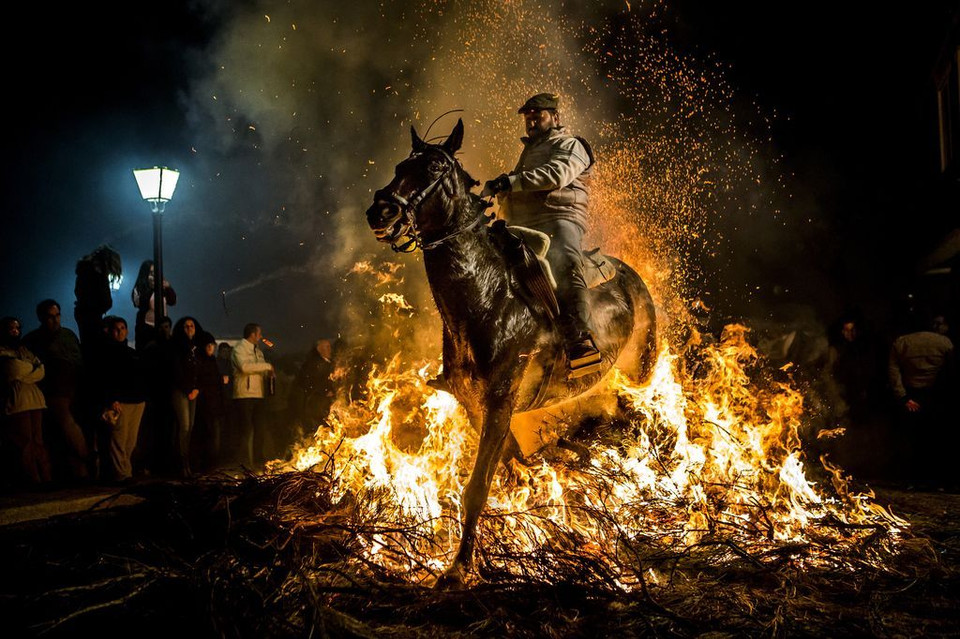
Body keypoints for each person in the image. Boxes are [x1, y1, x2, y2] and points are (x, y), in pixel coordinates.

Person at [481, 92, 599, 377]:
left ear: (555, 118)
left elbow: (556, 175)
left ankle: (580, 341)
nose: (531, 122)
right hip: (523, 224)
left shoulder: (571, 146)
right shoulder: (528, 154)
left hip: (559, 218)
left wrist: (510, 181)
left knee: (566, 263)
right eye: (528, 118)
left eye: (539, 116)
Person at [22, 300, 90, 482]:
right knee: (63, 431)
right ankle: (81, 466)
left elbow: (79, 361)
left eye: (57, 315)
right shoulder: (33, 340)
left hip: (72, 390)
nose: (55, 320)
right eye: (51, 316)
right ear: (42, 317)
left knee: (70, 430)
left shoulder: (67, 335)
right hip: (53, 393)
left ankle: (82, 471)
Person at [887, 310, 956, 487]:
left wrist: (904, 397)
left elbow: (894, 373)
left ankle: (913, 480)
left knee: (912, 440)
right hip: (936, 396)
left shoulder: (901, 342)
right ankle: (937, 481)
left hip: (911, 394)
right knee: (936, 439)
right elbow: (952, 371)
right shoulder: (944, 342)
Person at [0, 316, 52, 489]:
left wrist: (26, 371)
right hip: (18, 401)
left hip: (35, 400)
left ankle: (46, 477)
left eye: (17, 328)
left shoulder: (23, 350)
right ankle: (33, 480)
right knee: (25, 442)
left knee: (38, 440)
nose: (15, 331)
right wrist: (31, 370)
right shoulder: (2, 351)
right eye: (11, 328)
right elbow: (12, 370)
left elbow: (41, 370)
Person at [95, 316, 147, 484]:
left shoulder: (131, 353)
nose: (120, 332)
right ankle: (122, 475)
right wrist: (111, 399)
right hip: (121, 401)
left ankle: (126, 472)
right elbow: (105, 378)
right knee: (119, 439)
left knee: (130, 441)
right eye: (116, 329)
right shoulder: (105, 353)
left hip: (137, 400)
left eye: (123, 328)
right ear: (109, 331)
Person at [231, 323, 274, 469]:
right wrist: (267, 366)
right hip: (244, 395)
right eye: (259, 334)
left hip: (259, 394)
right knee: (246, 430)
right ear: (252, 334)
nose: (261, 337)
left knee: (260, 429)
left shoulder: (258, 351)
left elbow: (259, 369)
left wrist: (268, 373)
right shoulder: (239, 349)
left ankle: (258, 461)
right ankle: (243, 462)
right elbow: (245, 368)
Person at [170, 316, 204, 477]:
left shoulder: (196, 348)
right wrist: (188, 389)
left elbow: (200, 371)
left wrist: (197, 388)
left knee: (189, 427)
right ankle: (181, 464)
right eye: (186, 326)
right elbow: (176, 371)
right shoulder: (177, 347)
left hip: (193, 391)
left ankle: (188, 463)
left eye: (192, 325)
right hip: (181, 391)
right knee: (183, 427)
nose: (189, 328)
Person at [74, 245, 122, 352]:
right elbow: (105, 299)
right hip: (91, 314)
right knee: (94, 348)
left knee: (90, 346)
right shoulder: (97, 273)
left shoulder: (85, 271)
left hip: (86, 313)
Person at [195, 331, 226, 471]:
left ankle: (214, 463)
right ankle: (207, 465)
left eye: (212, 345)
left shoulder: (212, 361)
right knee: (208, 435)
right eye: (208, 345)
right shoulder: (199, 360)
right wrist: (221, 380)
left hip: (215, 404)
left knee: (215, 435)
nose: (210, 348)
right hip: (205, 405)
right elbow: (204, 380)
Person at [132, 260, 177, 350]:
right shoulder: (139, 288)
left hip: (162, 328)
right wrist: (151, 288)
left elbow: (172, 302)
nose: (153, 276)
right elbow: (140, 304)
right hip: (146, 329)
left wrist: (168, 288)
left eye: (155, 272)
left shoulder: (161, 287)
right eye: (151, 273)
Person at [293, 339, 336, 431]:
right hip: (316, 402)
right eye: (327, 347)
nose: (330, 349)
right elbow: (306, 381)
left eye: (329, 346)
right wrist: (324, 391)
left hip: (328, 402)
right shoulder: (311, 364)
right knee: (319, 427)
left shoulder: (330, 362)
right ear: (319, 349)